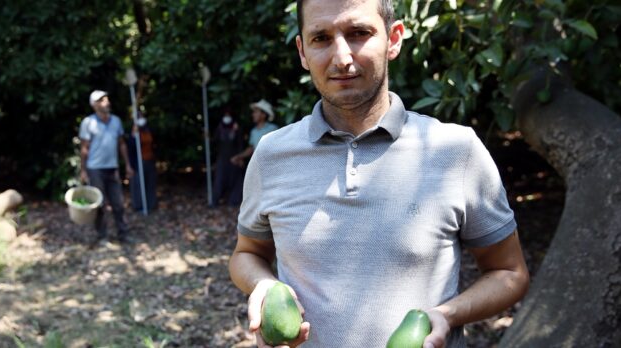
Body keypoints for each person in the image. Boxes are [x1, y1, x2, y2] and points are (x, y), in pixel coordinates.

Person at [228, 1, 530, 347]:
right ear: (302, 51)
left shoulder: (456, 151)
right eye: (321, 38)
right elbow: (247, 254)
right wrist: (263, 285)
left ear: (394, 39)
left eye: (359, 33)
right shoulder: (271, 155)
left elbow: (509, 272)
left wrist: (447, 315)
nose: (341, 58)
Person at [79, 90, 135, 244]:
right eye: (102, 100)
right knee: (100, 204)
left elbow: (121, 144)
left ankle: (123, 234)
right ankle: (102, 236)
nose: (106, 102)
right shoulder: (88, 123)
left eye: (107, 99)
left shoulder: (116, 121)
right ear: (95, 105)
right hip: (95, 168)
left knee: (118, 203)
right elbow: (84, 148)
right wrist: (83, 170)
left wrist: (128, 165)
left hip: (112, 167)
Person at [230, 99, 279, 167]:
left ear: (263, 115)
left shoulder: (272, 128)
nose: (253, 114)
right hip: (259, 165)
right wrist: (239, 156)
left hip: (272, 164)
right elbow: (252, 148)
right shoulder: (254, 131)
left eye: (256, 112)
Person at [212, 109, 245, 206]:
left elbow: (240, 144)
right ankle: (215, 201)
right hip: (222, 158)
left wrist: (240, 157)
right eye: (225, 115)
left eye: (229, 115)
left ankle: (233, 201)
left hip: (234, 158)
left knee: (235, 180)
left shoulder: (237, 129)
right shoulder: (220, 128)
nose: (227, 118)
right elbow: (214, 141)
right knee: (219, 179)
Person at [127, 112, 158, 212]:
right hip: (138, 162)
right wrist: (134, 135)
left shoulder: (148, 130)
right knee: (138, 184)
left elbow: (154, 144)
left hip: (149, 160)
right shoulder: (133, 131)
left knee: (150, 183)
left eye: (141, 116)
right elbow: (131, 147)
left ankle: (151, 204)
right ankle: (139, 205)